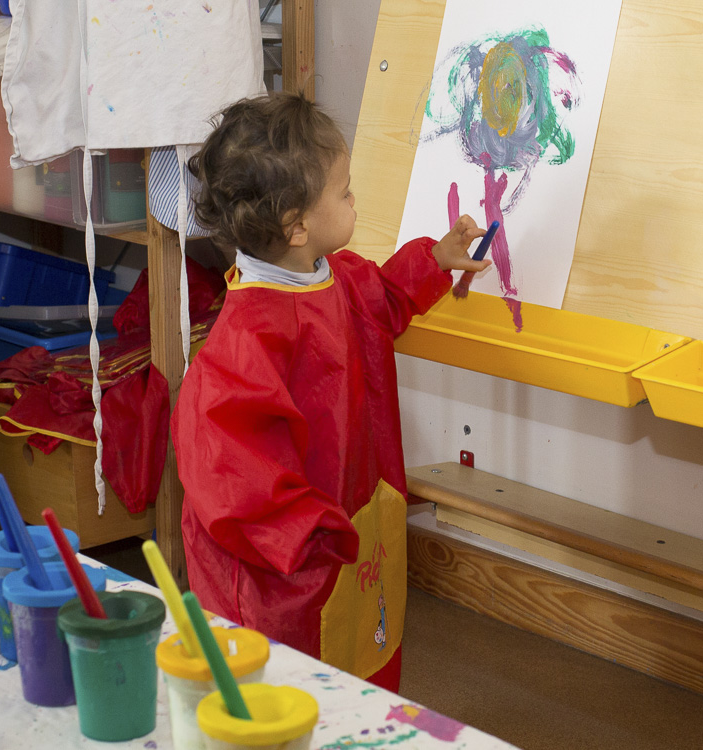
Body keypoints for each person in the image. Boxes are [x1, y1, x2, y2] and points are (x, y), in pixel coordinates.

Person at [171, 91, 491, 692]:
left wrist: (436, 260)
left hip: (353, 527)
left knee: (362, 670)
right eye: (343, 191)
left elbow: (384, 299)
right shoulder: (246, 342)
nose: (353, 198)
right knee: (294, 692)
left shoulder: (332, 277)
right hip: (290, 569)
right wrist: (319, 535)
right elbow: (232, 476)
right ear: (297, 226)